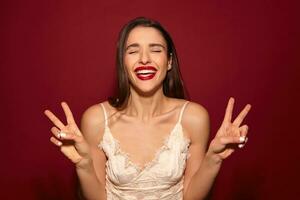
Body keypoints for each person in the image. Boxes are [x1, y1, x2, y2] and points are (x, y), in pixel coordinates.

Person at [44, 17, 251, 200]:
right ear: (123, 62)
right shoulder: (96, 119)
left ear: (169, 61)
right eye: (133, 51)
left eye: (155, 50)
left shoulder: (193, 118)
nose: (144, 59)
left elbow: (192, 197)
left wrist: (213, 159)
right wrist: (84, 165)